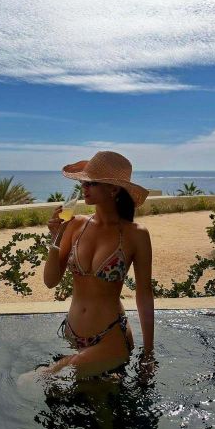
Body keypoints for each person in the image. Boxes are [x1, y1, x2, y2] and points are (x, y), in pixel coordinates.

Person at [41, 151, 155, 380]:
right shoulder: (75, 225)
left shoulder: (136, 235)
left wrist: (148, 353)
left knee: (42, 378)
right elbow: (50, 281)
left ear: (113, 189)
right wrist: (56, 237)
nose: (84, 188)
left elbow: (144, 294)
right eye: (84, 182)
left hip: (110, 337)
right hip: (72, 336)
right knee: (86, 397)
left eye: (92, 183)